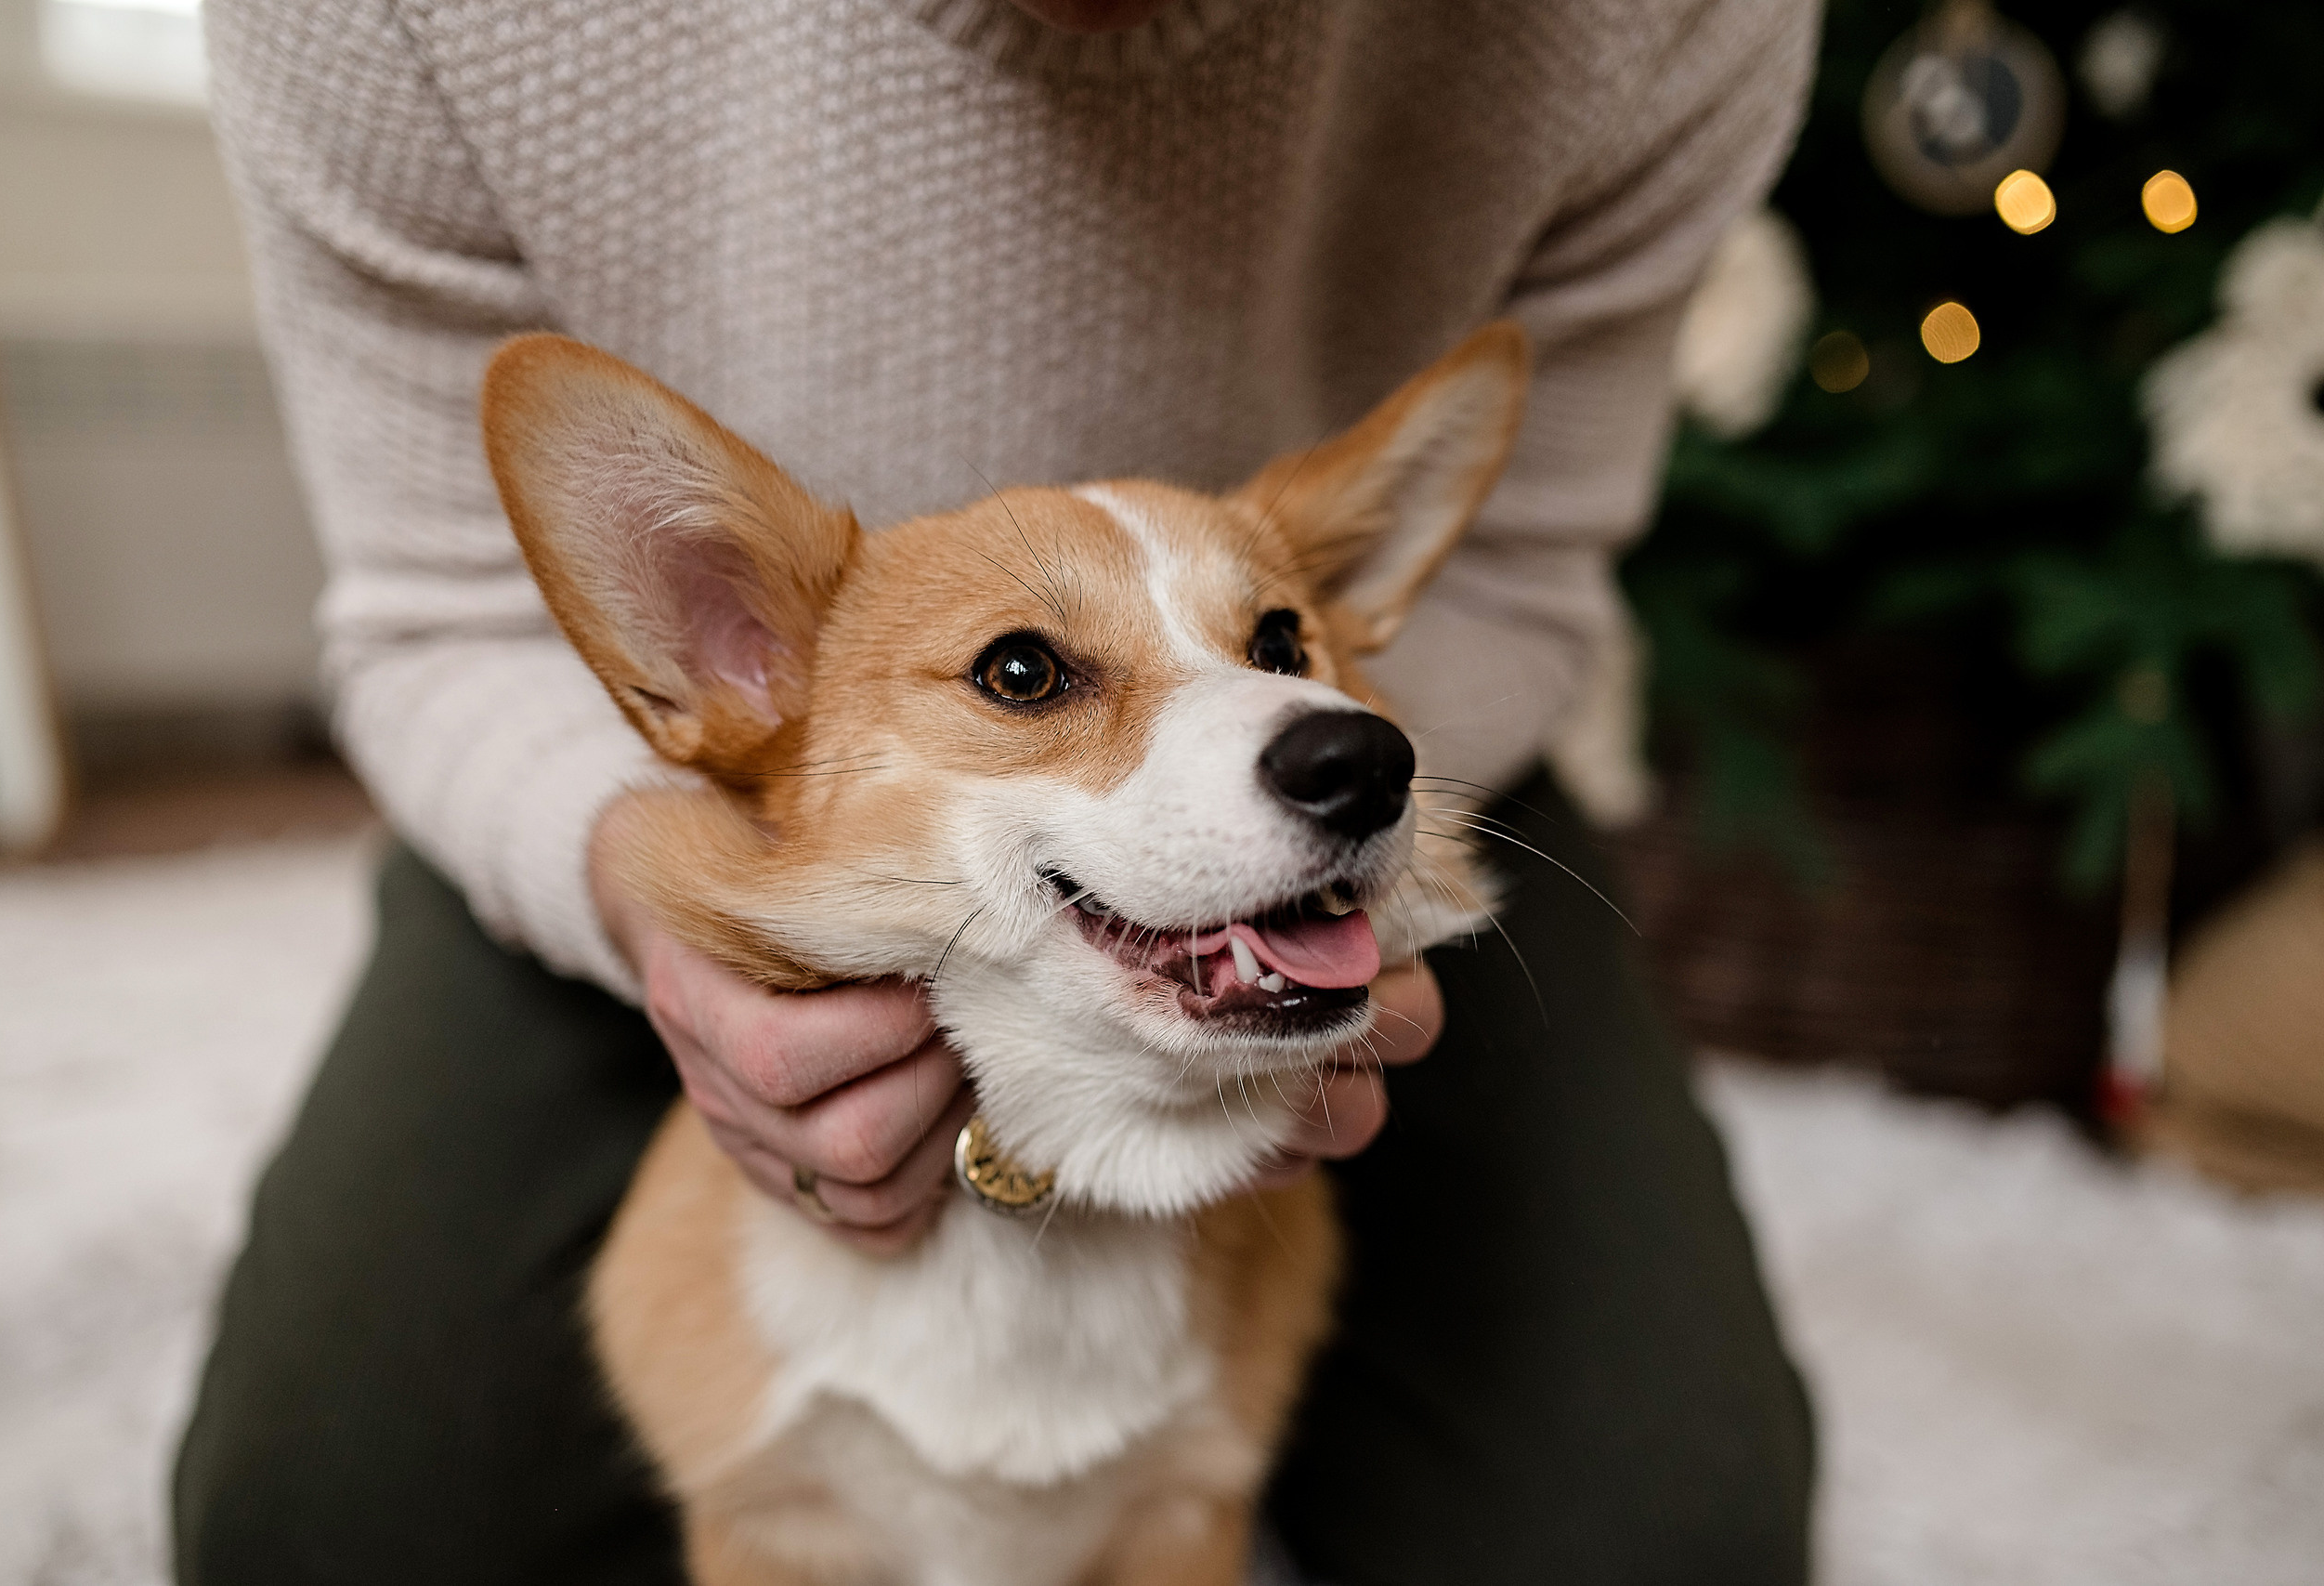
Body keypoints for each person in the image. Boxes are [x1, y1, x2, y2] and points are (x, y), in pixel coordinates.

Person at [175, 0, 1821, 1580]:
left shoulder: (1660, 18)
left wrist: (1331, 836)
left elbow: (1514, 570)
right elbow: (434, 614)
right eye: (1032, 673)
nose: (1300, 714)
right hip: (596, 798)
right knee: (319, 1534)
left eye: (1272, 642)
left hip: (1311, 895)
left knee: (1674, 1537)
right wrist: (632, 899)